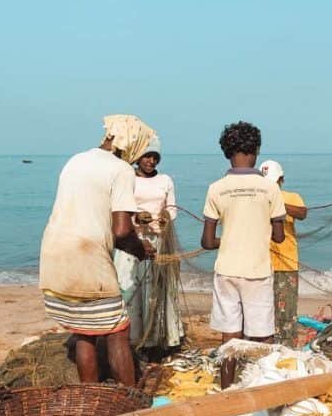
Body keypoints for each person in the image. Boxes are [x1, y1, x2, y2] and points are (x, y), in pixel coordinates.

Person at [39, 115, 156, 386]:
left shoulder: (76, 160)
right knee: (117, 331)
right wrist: (141, 250)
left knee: (85, 332)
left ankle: (90, 398)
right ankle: (130, 402)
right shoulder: (122, 170)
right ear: (133, 144)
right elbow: (122, 231)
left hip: (54, 254)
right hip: (87, 256)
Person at [200, 121, 286, 388]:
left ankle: (227, 390)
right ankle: (264, 387)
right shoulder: (271, 188)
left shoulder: (216, 188)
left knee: (230, 336)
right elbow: (279, 236)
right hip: (257, 271)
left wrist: (228, 239)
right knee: (263, 337)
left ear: (227, 152)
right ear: (256, 150)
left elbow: (206, 241)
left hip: (226, 270)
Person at [113, 136, 183, 352]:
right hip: (132, 243)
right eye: (146, 156)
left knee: (157, 290)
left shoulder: (166, 181)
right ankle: (133, 340)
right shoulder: (127, 179)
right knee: (131, 287)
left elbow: (172, 208)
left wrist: (165, 216)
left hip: (159, 242)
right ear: (138, 158)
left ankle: (157, 340)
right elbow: (119, 209)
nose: (151, 161)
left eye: (155, 157)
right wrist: (136, 218)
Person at [259, 159, 308, 346]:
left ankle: (287, 349)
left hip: (286, 264)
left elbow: (303, 213)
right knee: (262, 311)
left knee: (286, 314)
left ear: (281, 180)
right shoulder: (255, 198)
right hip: (260, 264)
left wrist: (278, 202)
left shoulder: (291, 197)